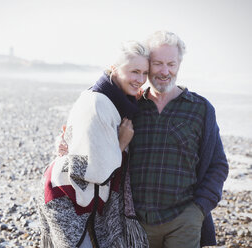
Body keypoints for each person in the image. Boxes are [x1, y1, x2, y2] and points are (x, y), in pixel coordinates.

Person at [37, 41, 150, 248]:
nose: (141, 80)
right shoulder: (99, 103)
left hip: (83, 196)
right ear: (114, 68)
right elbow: (95, 171)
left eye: (145, 73)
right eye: (134, 71)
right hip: (67, 196)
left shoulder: (117, 100)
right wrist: (122, 142)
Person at [127, 31, 229, 248]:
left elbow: (218, 165)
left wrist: (199, 209)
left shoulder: (201, 109)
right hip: (137, 221)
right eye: (158, 63)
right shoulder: (131, 107)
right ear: (148, 64)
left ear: (179, 64)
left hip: (183, 220)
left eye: (171, 64)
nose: (165, 71)